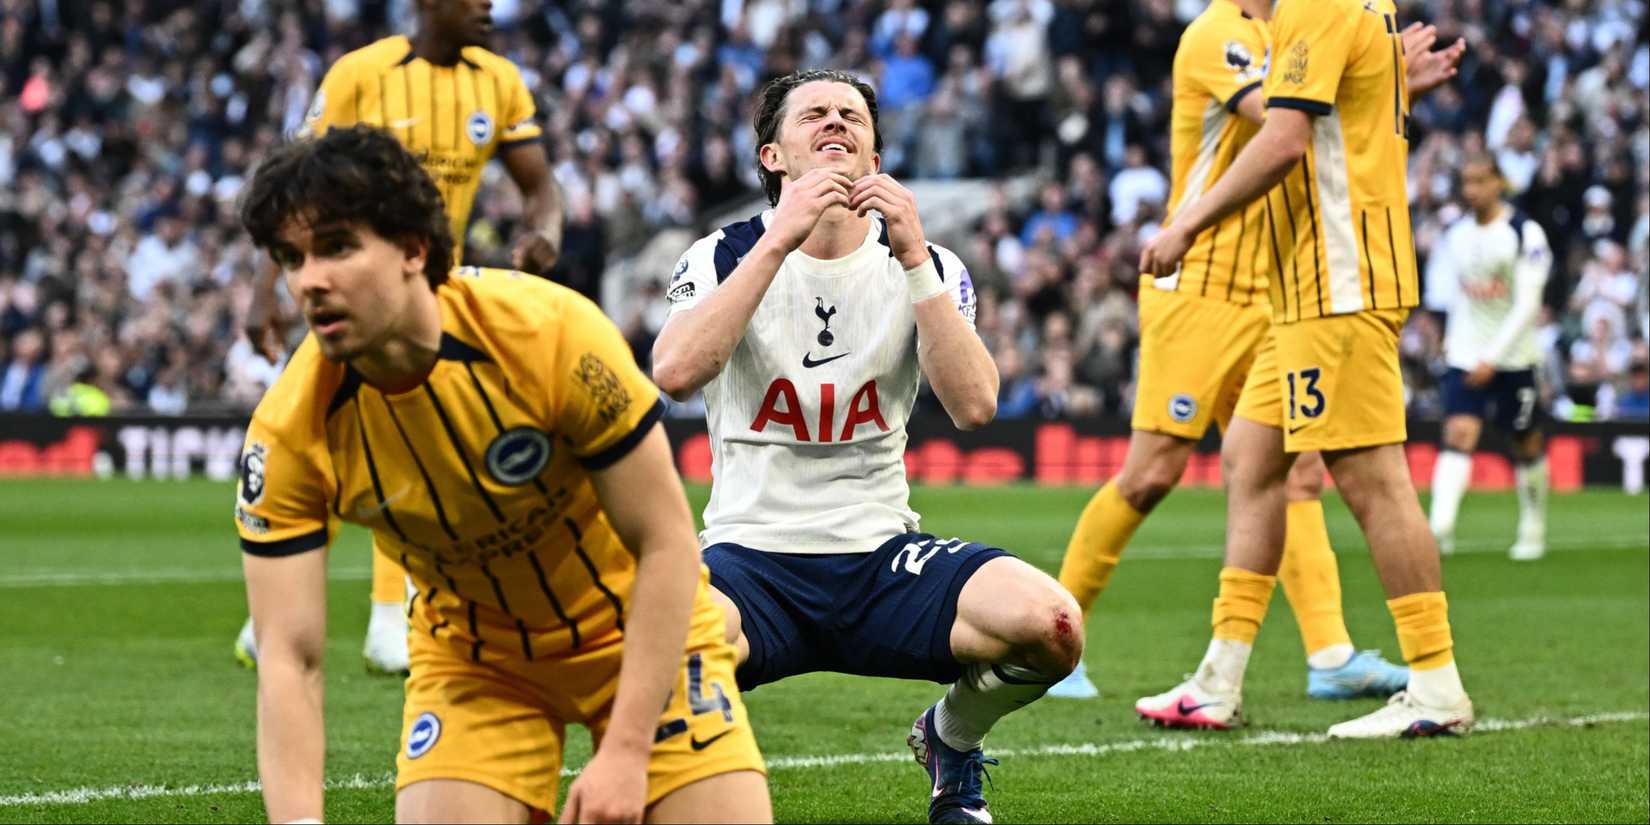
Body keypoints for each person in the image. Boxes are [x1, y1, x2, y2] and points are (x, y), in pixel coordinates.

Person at [234, 125, 769, 824]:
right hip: (474, 662)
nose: (309, 280)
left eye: (336, 246)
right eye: (291, 257)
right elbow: (288, 657)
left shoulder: (549, 334)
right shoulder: (287, 433)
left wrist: (627, 750)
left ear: (413, 249)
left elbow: (666, 542)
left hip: (632, 630)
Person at [650, 69, 1082, 825]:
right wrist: (781, 238)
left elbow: (976, 405)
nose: (836, 123)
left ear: (875, 159)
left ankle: (951, 739)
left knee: (1052, 627)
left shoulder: (930, 263)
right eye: (813, 114)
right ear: (773, 156)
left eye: (852, 115)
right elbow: (676, 373)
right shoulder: (721, 254)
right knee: (657, 636)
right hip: (751, 561)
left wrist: (915, 257)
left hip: (880, 558)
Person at [1054, 0, 1466, 706]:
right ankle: (1068, 635)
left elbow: (1292, 127)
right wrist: (1380, 75)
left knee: (1326, 474)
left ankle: (1361, 660)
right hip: (1209, 288)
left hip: (1308, 281)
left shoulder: (1313, 11)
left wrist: (1375, 78)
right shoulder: (1222, 33)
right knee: (1202, 463)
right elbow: (1280, 114)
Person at [235, 0, 565, 676]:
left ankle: (384, 618)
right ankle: (294, 615)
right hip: (349, 287)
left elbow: (540, 185)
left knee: (402, 436)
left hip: (427, 288)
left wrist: (544, 232)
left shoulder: (499, 80)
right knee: (328, 440)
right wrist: (265, 291)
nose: (488, 6)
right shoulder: (362, 73)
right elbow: (296, 186)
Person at [1427, 152, 1553, 561]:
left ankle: (1533, 525)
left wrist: (1493, 358)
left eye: (1481, 181)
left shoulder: (1525, 233)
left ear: (1499, 182)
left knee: (1524, 442)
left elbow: (1528, 304)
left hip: (1514, 358)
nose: (1472, 191)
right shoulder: (1458, 234)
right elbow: (1458, 296)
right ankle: (1438, 529)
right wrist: (1451, 341)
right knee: (1458, 432)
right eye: (1466, 182)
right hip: (1466, 354)